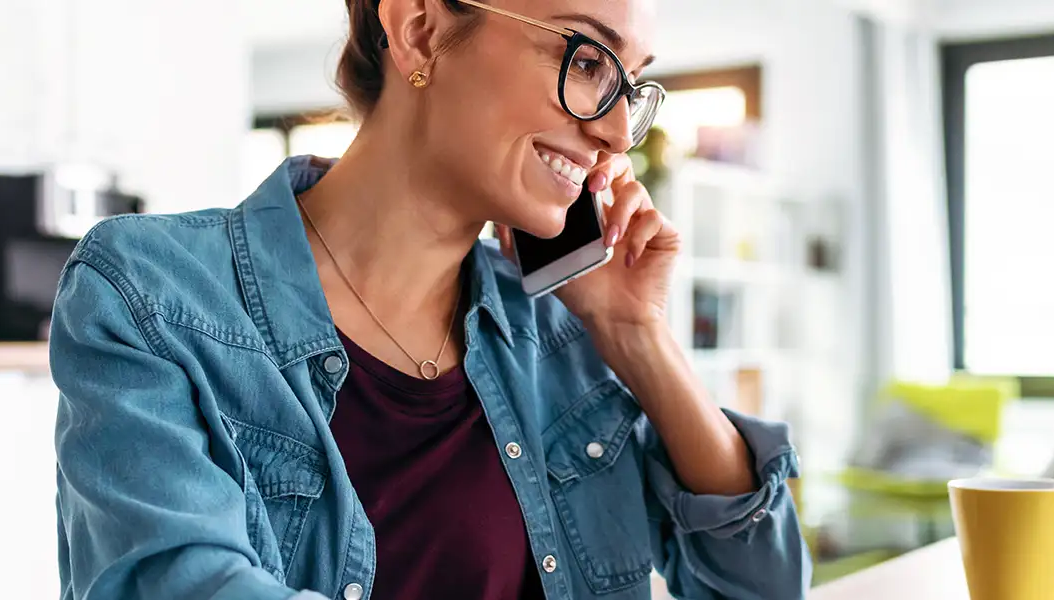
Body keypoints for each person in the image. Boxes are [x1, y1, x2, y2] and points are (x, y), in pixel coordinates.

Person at [47, 0, 811, 598]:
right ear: (418, 31)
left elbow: (764, 588)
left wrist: (634, 332)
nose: (616, 132)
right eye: (587, 60)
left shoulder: (564, 327)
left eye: (632, 85)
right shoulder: (153, 294)